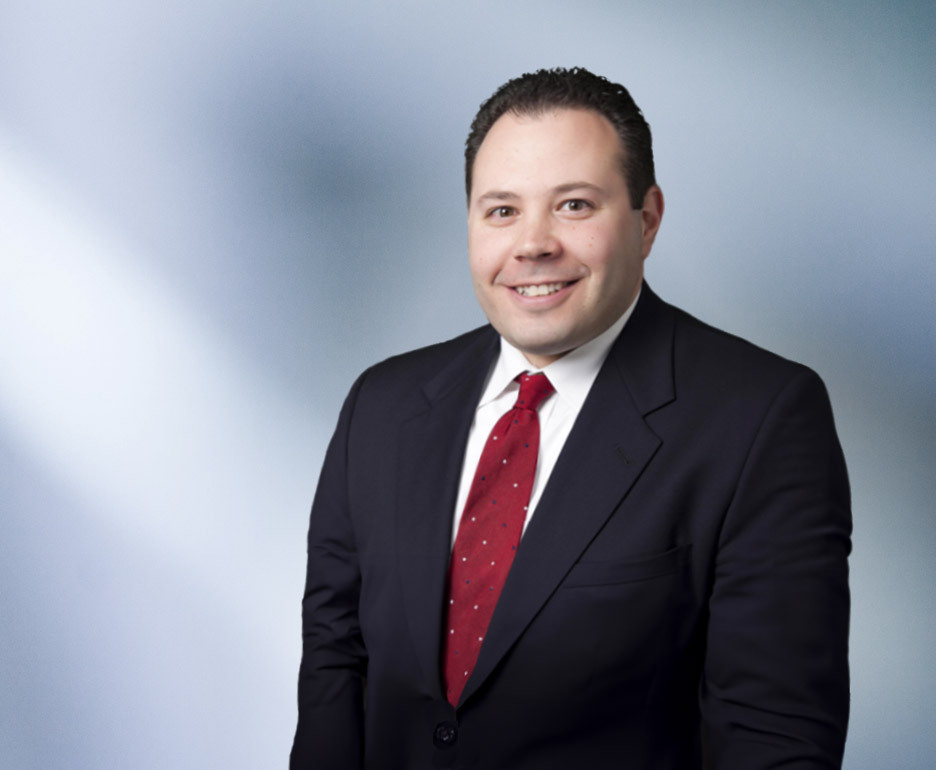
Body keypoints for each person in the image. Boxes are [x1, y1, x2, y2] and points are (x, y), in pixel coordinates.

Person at [291, 67, 851, 769]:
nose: (533, 244)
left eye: (575, 206)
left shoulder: (759, 418)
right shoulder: (383, 405)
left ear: (647, 219)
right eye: (501, 210)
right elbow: (335, 670)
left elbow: (775, 739)